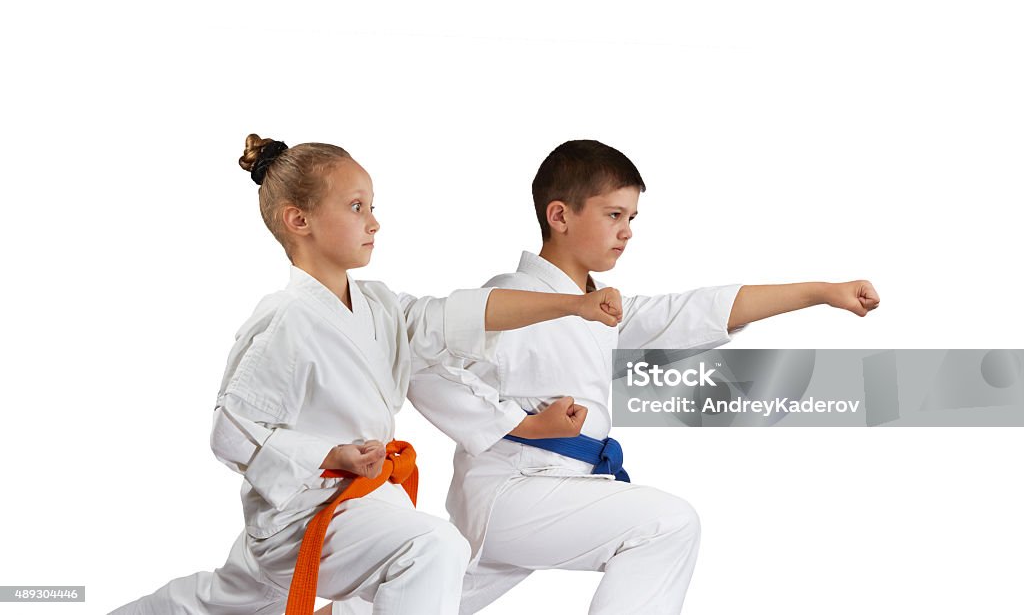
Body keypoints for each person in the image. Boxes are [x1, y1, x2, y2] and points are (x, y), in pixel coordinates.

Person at [111, 135, 623, 615]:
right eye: (356, 207)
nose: (373, 222)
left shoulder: (379, 306)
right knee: (432, 548)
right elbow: (232, 434)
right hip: (300, 515)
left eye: (373, 207)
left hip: (362, 503)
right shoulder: (285, 321)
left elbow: (463, 314)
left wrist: (573, 304)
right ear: (299, 220)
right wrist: (327, 455)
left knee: (210, 602)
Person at [403, 139, 880, 615]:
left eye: (631, 218)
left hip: (546, 489)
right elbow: (417, 360)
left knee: (415, 605)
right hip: (516, 490)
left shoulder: (595, 309)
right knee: (667, 525)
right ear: (560, 216)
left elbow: (692, 311)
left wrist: (821, 292)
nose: (627, 231)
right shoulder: (512, 297)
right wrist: (519, 424)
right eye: (613, 215)